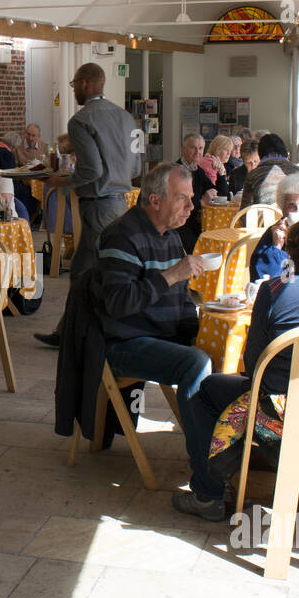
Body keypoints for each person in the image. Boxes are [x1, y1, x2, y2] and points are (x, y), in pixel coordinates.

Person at [173, 208, 299, 522]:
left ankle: (208, 493)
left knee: (208, 389)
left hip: (284, 421)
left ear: (295, 246)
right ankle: (296, 479)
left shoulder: (275, 290)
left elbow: (255, 366)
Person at [92, 163, 217, 511]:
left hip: (158, 337)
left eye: (192, 200)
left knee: (218, 354)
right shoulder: (123, 236)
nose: (191, 208)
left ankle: (226, 461)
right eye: (183, 200)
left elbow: (178, 302)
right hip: (124, 344)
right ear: (155, 200)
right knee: (196, 364)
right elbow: (119, 304)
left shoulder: (169, 235)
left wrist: (199, 331)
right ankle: (208, 486)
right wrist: (171, 275)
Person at [34, 62, 140, 347]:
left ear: (84, 84)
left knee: (87, 272)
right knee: (92, 268)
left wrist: (61, 181)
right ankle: (68, 330)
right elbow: (135, 166)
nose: (74, 91)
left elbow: (91, 170)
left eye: (73, 85)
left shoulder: (81, 121)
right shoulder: (127, 118)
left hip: (98, 204)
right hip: (121, 201)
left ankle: (81, 334)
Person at [175, 133, 215, 251]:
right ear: (183, 150)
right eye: (193, 147)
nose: (197, 152)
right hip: (180, 224)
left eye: (201, 148)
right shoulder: (177, 171)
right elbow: (180, 206)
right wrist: (201, 202)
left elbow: (218, 192)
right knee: (202, 247)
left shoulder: (198, 171)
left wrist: (221, 173)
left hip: (196, 222)